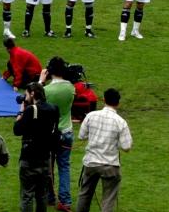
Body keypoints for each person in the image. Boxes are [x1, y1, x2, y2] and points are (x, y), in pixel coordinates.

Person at [76, 88, 132, 212]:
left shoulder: (91, 115)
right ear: (118, 103)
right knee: (108, 199)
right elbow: (127, 147)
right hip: (110, 165)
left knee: (85, 194)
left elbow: (81, 136)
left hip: (91, 163)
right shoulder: (120, 122)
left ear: (104, 100)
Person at [13, 82, 60, 212]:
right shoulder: (54, 109)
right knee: (42, 195)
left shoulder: (30, 110)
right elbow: (55, 131)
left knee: (27, 195)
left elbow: (17, 130)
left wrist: (21, 110)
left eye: (26, 94)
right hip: (45, 157)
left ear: (32, 93)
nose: (25, 96)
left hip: (29, 158)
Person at [41, 58, 76, 211]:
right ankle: (65, 201)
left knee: (48, 167)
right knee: (64, 167)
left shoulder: (46, 91)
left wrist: (40, 81)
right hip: (66, 132)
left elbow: (36, 103)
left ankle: (50, 197)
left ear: (49, 71)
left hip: (50, 133)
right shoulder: (71, 88)